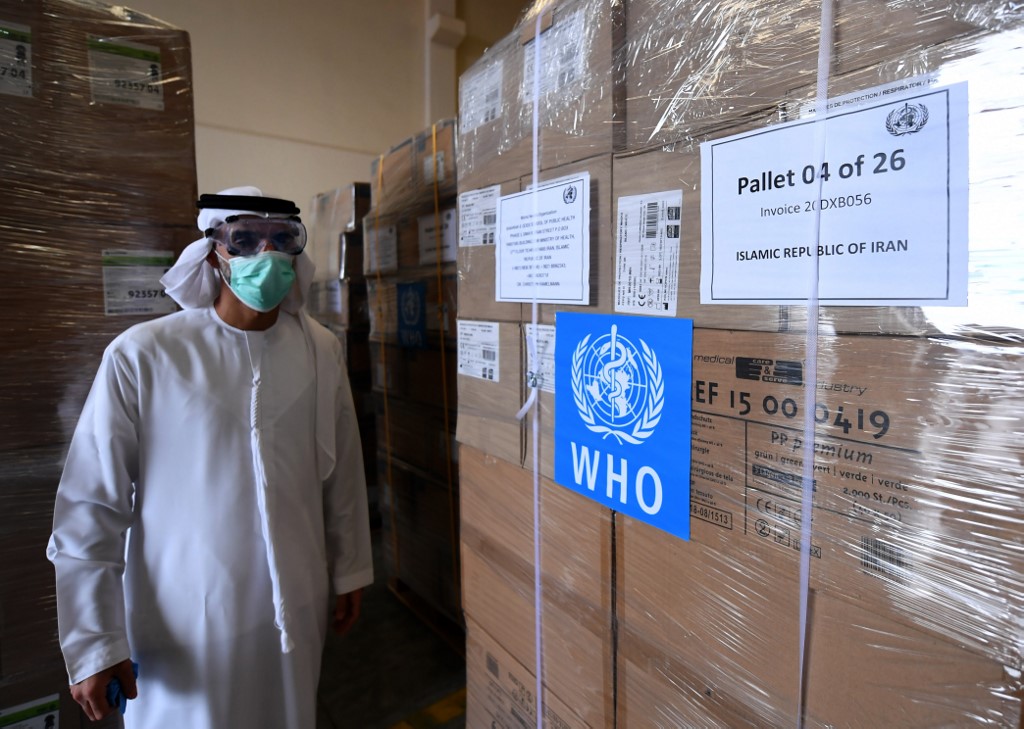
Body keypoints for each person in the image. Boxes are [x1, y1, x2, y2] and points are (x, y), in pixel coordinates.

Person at [46, 187, 374, 727]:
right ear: (212, 252)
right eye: (244, 240)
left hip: (294, 607)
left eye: (281, 240)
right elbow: (91, 503)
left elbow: (341, 470)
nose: (265, 255)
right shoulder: (144, 354)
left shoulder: (319, 350)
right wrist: (94, 641)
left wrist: (351, 567)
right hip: (180, 619)